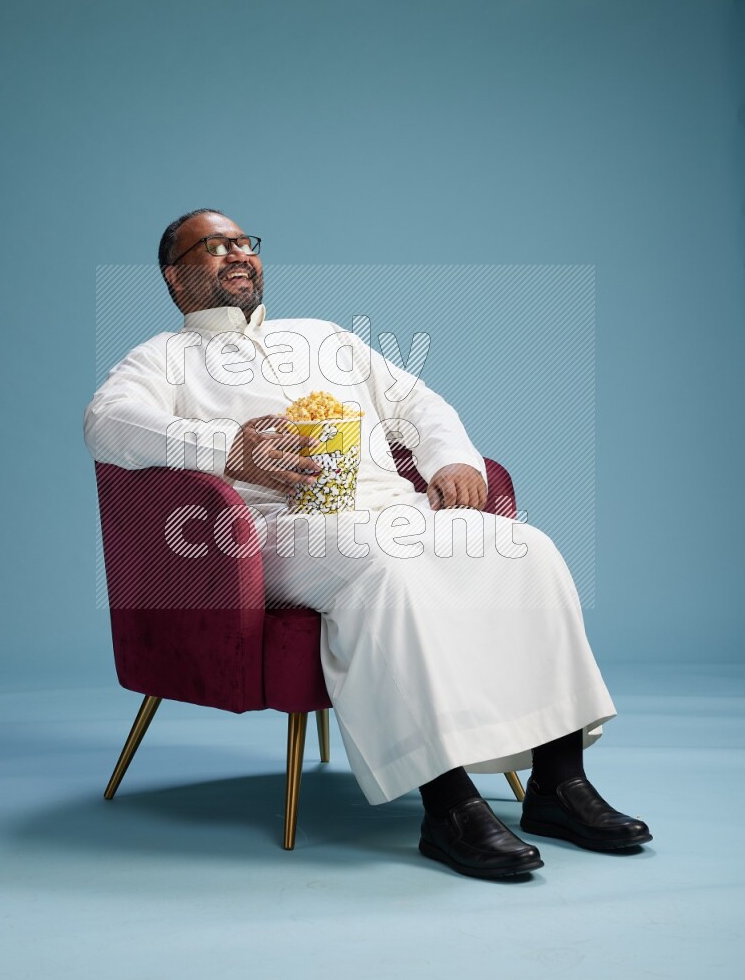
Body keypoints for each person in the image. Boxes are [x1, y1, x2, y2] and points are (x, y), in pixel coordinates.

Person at [84, 207, 652, 879]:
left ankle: (561, 782)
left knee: (526, 550)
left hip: (391, 506)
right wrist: (230, 447)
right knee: (387, 570)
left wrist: (450, 459)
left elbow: (419, 404)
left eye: (244, 242)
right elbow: (106, 422)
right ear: (178, 280)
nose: (238, 253)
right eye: (212, 248)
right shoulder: (162, 358)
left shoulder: (325, 339)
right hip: (272, 533)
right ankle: (448, 806)